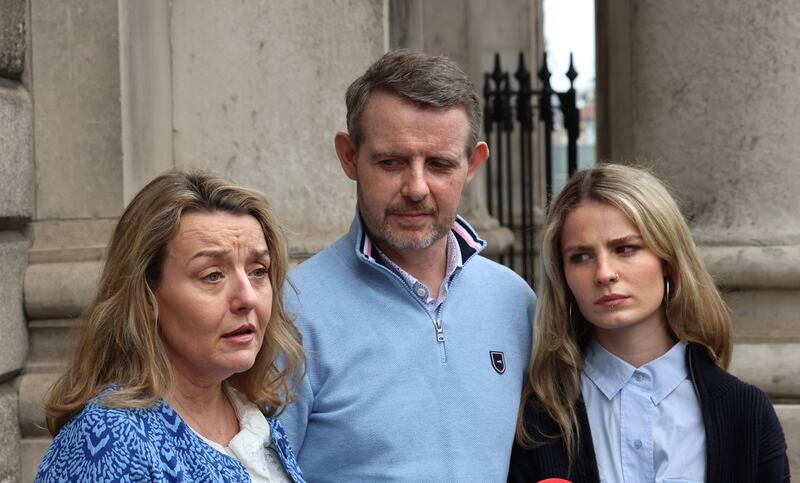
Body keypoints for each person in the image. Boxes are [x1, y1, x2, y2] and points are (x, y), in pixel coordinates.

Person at [279, 50, 537, 481]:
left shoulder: (515, 301)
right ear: (348, 157)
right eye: (391, 162)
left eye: (439, 164)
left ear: (473, 164)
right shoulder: (290, 311)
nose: (416, 188)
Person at [508, 164, 790, 483]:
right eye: (581, 256)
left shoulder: (745, 412)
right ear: (564, 276)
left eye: (625, 248)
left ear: (667, 260)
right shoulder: (541, 421)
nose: (604, 273)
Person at [36, 172, 306, 482]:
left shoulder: (254, 416)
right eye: (213, 275)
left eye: (258, 271)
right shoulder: (111, 437)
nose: (247, 297)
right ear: (147, 297)